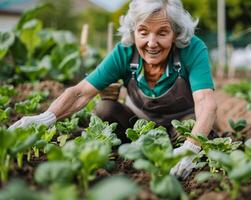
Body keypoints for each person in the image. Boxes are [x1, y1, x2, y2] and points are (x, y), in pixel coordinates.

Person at [9, 0, 217, 179]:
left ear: (176, 33)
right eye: (143, 32)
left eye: (162, 33)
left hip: (179, 121)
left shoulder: (192, 48)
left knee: (194, 126)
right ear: (134, 31)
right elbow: (81, 92)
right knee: (104, 109)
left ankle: (180, 148)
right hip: (138, 123)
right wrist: (46, 118)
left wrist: (192, 146)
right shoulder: (125, 52)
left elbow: (205, 101)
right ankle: (132, 150)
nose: (151, 43)